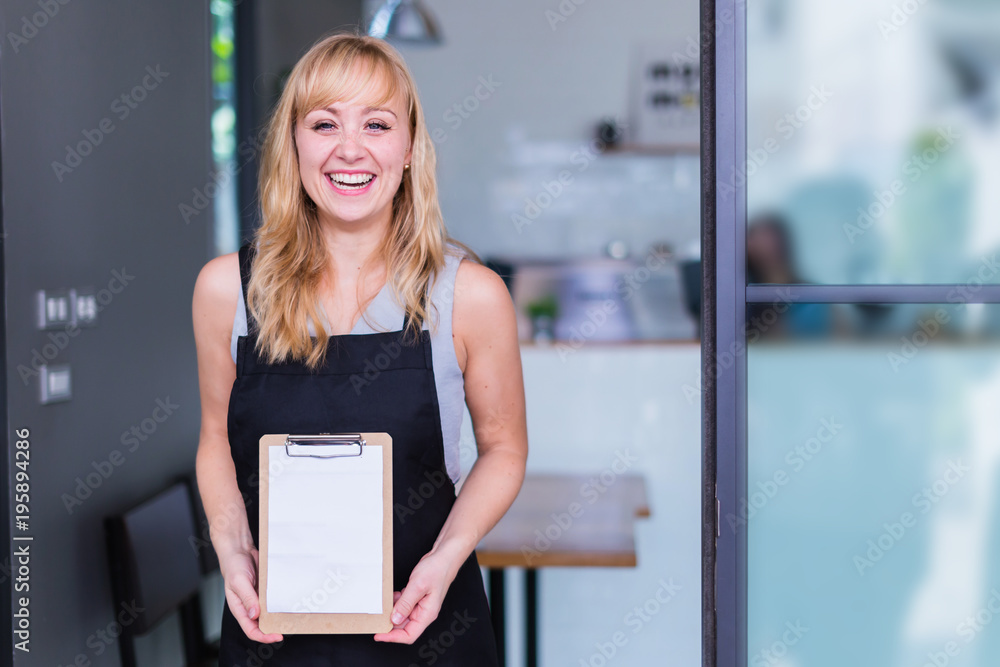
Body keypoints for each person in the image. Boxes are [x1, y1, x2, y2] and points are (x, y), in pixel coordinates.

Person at [191, 31, 527, 664]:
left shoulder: (470, 295)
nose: (350, 149)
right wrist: (232, 551)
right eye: (324, 123)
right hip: (274, 633)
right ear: (293, 144)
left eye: (376, 124)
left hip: (428, 623)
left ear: (408, 149)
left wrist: (446, 559)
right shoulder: (225, 291)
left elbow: (505, 449)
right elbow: (214, 440)